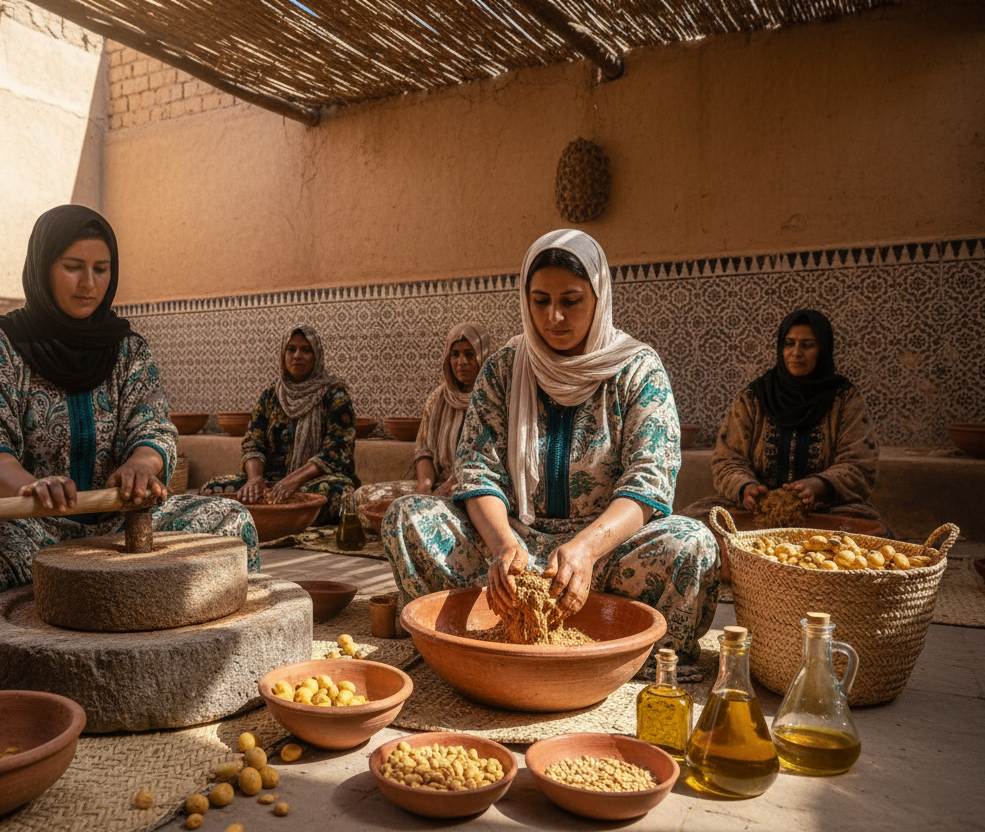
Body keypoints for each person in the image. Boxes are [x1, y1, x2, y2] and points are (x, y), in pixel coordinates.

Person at [0, 205, 258, 661]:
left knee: (232, 525)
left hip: (119, 524)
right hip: (25, 527)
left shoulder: (127, 350)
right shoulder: (0, 346)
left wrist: (140, 466)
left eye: (101, 269)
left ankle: (179, 643)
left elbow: (153, 426)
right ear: (43, 267)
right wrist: (29, 486)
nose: (89, 283)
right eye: (73, 267)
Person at [382, 230, 719, 663]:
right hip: (514, 546)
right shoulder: (504, 369)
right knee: (409, 517)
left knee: (691, 543)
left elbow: (649, 480)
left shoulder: (637, 370)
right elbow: (476, 469)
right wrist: (504, 546)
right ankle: (480, 635)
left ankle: (631, 655)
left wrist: (585, 549)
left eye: (571, 300)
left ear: (599, 298)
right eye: (540, 301)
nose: (554, 317)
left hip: (605, 555)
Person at [680, 309, 882, 524]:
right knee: (690, 527)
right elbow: (728, 459)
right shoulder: (753, 397)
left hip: (825, 508)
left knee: (871, 532)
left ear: (823, 349)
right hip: (756, 509)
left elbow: (859, 464)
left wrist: (817, 485)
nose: (796, 352)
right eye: (789, 343)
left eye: (807, 345)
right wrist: (746, 488)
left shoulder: (844, 398)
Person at [201, 324, 359, 526]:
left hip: (315, 482)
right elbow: (253, 444)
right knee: (210, 490)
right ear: (283, 354)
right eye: (291, 349)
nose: (297, 355)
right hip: (271, 482)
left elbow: (337, 451)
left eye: (306, 350)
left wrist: (293, 480)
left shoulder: (335, 395)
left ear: (316, 356)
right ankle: (280, 515)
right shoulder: (270, 396)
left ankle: (261, 517)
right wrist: (255, 480)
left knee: (339, 496)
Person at [357, 323, 492, 504]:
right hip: (440, 484)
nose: (461, 362)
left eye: (469, 354)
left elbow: (492, 460)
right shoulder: (437, 399)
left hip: (478, 487)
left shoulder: (493, 399)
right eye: (455, 355)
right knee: (363, 497)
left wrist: (454, 483)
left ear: (483, 356)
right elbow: (424, 451)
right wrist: (425, 487)